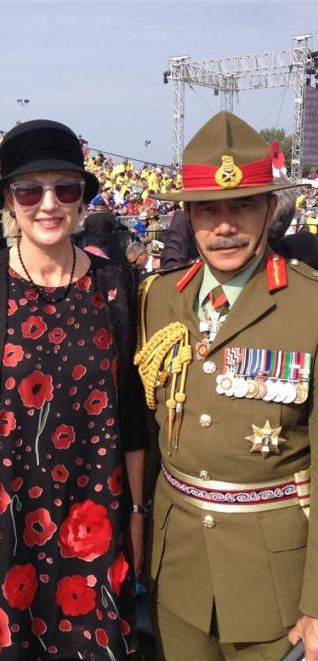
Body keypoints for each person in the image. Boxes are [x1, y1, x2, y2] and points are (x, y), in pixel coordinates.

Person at [0, 119, 147, 659]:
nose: (48, 203)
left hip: (95, 525)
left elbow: (132, 420)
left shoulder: (117, 285)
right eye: (30, 190)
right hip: (0, 530)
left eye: (65, 188)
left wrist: (138, 518)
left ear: (81, 200)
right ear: (8, 200)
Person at [136, 111, 318, 660]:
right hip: (178, 573)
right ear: (188, 217)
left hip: (277, 583)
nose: (224, 226)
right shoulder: (159, 297)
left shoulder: (310, 303)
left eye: (242, 205)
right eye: (207, 210)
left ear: (269, 210)